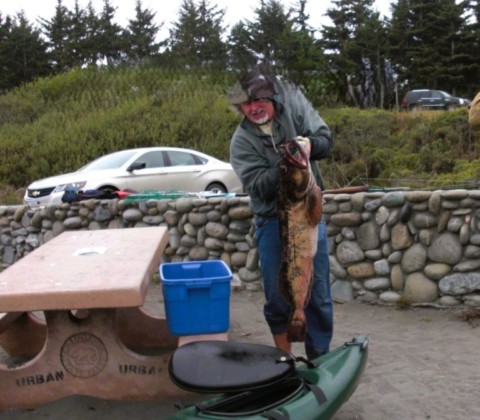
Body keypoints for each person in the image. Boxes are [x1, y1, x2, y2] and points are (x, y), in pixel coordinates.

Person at [227, 66, 334, 360]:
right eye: (246, 104)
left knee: (319, 295)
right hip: (272, 223)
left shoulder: (295, 112)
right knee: (277, 297)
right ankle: (285, 360)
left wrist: (309, 146)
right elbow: (258, 186)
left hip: (308, 217)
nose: (253, 108)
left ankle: (319, 358)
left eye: (258, 101)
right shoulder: (241, 142)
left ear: (272, 98)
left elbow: (327, 141)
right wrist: (285, 165)